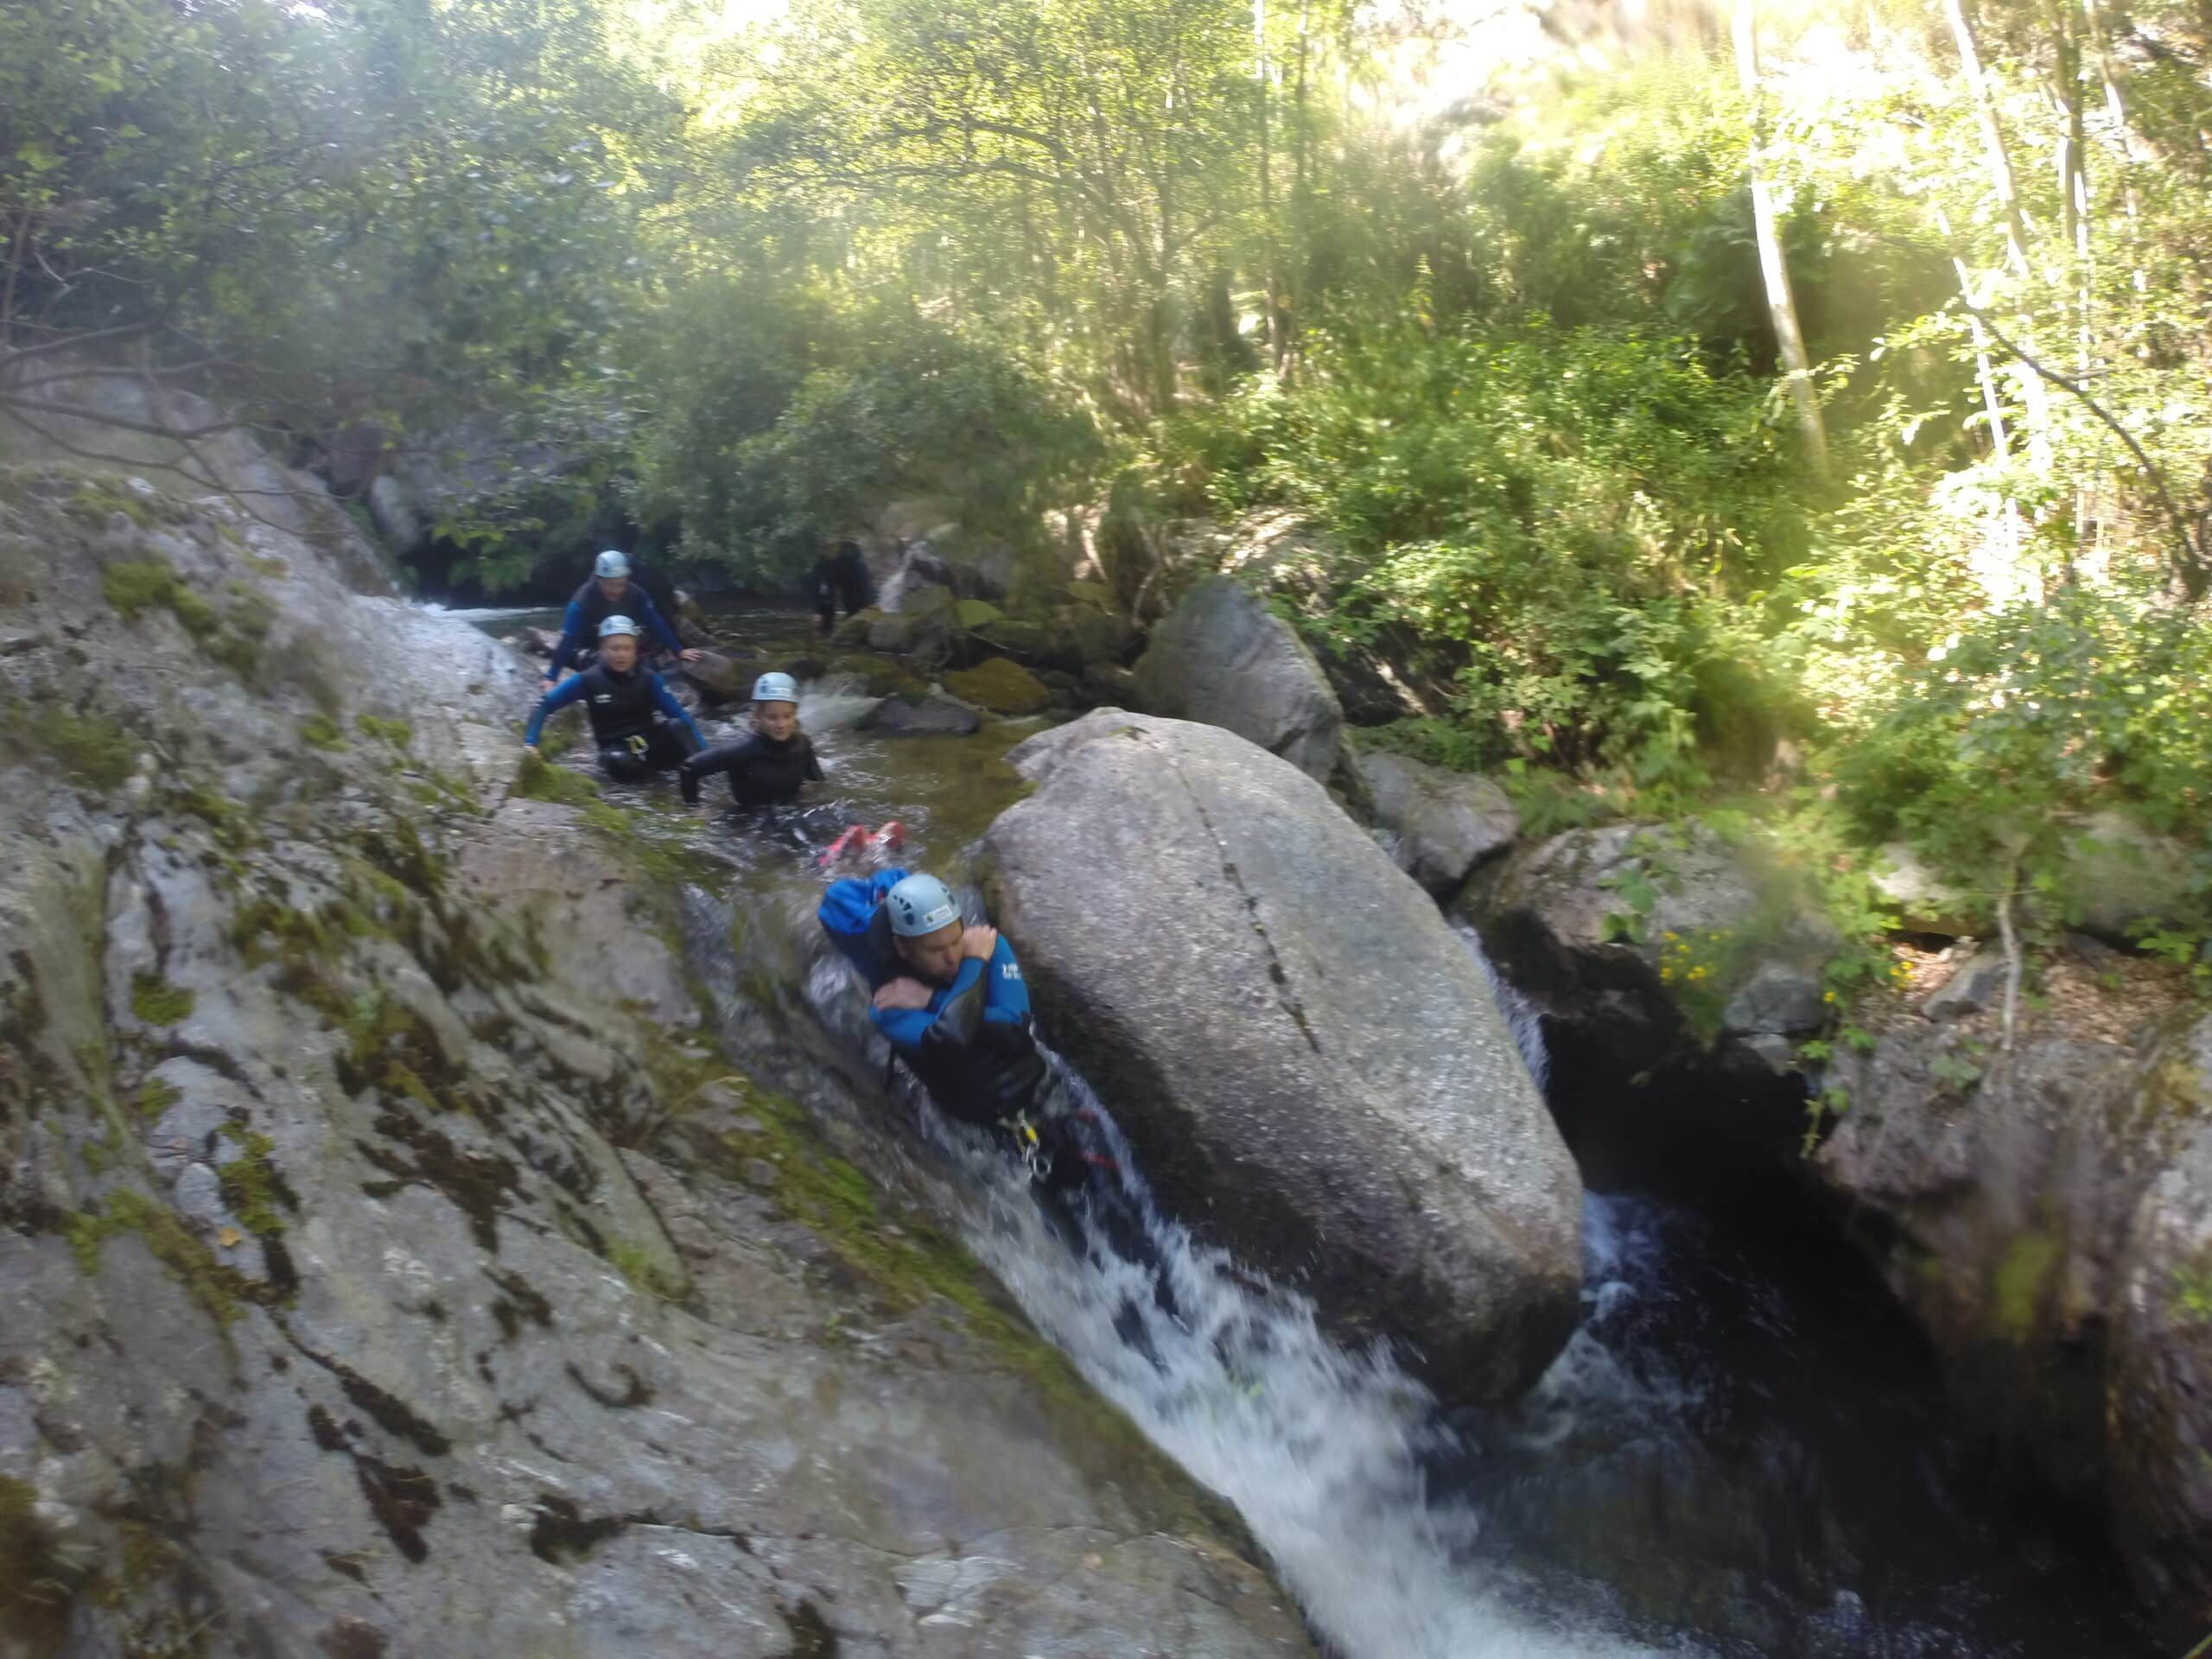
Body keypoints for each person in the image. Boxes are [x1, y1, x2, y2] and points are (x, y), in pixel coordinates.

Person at [817, 870, 1173, 1319]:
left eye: (955, 939)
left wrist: (930, 994)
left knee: (1127, 1223)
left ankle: (1188, 1324)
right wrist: (965, 975)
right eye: (936, 949)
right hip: (992, 1139)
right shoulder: (888, 1003)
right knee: (1079, 1244)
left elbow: (1008, 1030)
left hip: (1052, 1108)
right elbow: (951, 1037)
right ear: (904, 949)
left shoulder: (985, 947)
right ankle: (1143, 1341)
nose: (952, 955)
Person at [524, 613, 704, 780]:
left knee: (677, 726)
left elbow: (680, 716)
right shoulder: (587, 680)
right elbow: (543, 705)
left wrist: (707, 755)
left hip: (650, 746)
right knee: (616, 760)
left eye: (627, 648)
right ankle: (658, 784)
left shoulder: (650, 679)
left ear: (635, 649)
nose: (621, 655)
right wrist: (530, 743)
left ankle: (701, 771)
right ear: (603, 648)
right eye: (615, 648)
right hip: (616, 753)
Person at [543, 550, 700, 690]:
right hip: (590, 645)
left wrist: (678, 650)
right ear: (599, 579)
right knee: (608, 665)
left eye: (621, 584)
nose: (617, 591)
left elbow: (655, 622)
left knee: (645, 667)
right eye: (611, 585)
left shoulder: (635, 594)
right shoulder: (581, 603)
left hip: (618, 638)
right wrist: (551, 677)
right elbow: (567, 641)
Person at [680, 671, 826, 808]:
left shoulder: (802, 745)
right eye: (772, 718)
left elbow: (818, 783)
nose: (781, 725)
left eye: (787, 716)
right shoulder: (742, 749)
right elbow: (689, 768)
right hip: (749, 821)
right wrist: (694, 809)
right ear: (758, 717)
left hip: (790, 811)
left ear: (795, 715)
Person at [808, 539, 875, 639]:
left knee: (857, 605)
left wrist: (868, 606)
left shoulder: (853, 559)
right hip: (840, 589)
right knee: (827, 601)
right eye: (824, 549)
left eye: (829, 548)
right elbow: (817, 586)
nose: (826, 551)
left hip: (857, 590)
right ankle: (826, 632)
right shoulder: (822, 564)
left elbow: (864, 584)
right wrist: (817, 611)